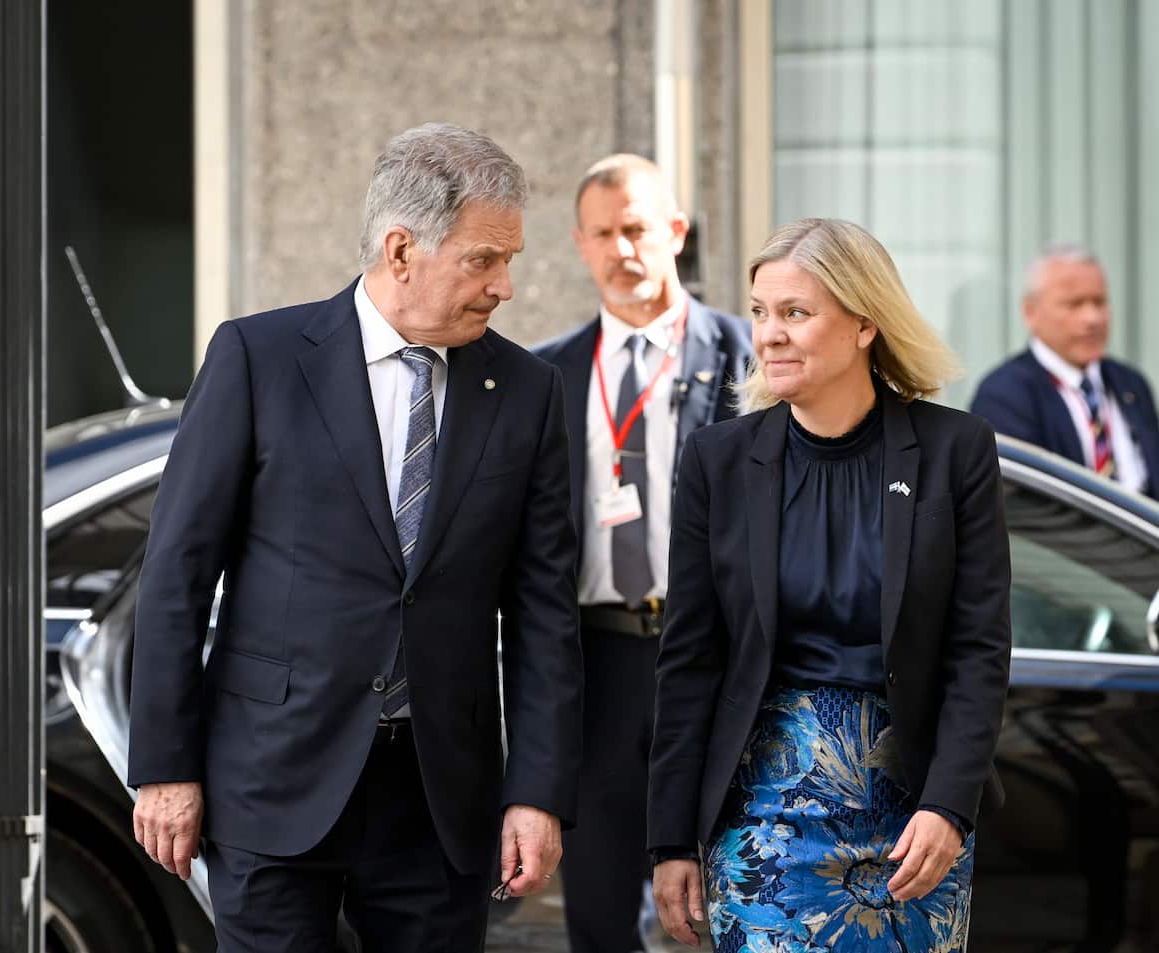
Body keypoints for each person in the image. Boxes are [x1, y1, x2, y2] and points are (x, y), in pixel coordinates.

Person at [126, 122, 583, 952]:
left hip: (441, 797)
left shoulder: (528, 391)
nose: (506, 286)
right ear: (401, 249)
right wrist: (164, 766)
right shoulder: (257, 357)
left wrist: (539, 791)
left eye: (509, 260)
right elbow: (176, 576)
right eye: (484, 259)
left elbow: (545, 611)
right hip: (271, 779)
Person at [648, 218, 1012, 951]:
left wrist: (949, 805)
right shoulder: (717, 462)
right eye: (759, 311)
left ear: (865, 324)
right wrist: (671, 841)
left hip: (915, 824)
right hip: (762, 815)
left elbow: (979, 651)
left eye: (795, 313)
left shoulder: (955, 452)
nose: (770, 333)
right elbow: (690, 660)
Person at [533, 153, 751, 953]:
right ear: (580, 244)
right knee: (595, 908)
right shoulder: (547, 373)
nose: (623, 250)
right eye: (604, 234)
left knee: (724, 898)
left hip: (712, 660)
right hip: (596, 668)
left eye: (637, 229)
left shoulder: (743, 357)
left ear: (675, 234)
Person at [970, 243, 1159, 510]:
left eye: (1099, 302)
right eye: (1074, 304)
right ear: (1030, 312)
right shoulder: (1006, 395)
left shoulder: (1130, 384)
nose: (1092, 318)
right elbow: (1022, 511)